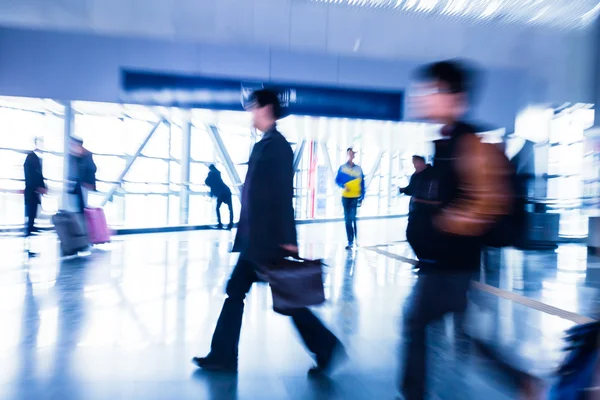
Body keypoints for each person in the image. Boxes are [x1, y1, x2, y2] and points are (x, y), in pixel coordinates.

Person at [192, 89, 346, 375]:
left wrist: (288, 240)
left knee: (286, 299)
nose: (250, 112)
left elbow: (282, 196)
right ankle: (223, 355)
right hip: (257, 238)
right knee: (242, 292)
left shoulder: (277, 147)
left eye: (253, 107)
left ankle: (325, 346)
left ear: (265, 109)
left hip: (267, 241)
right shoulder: (265, 144)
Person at [398, 60, 512, 400]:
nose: (422, 98)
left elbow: (487, 203)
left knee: (418, 324)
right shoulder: (448, 142)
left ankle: (413, 394)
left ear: (456, 98)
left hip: (452, 264)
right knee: (462, 335)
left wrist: (440, 225)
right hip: (445, 263)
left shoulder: (469, 145)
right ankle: (522, 382)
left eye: (431, 91)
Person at [335, 148, 365, 250]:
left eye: (352, 154)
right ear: (347, 154)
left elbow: (362, 183)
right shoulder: (342, 168)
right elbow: (337, 180)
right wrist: (343, 185)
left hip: (355, 197)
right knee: (348, 220)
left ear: (354, 155)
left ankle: (355, 240)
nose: (351, 155)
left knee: (352, 218)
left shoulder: (358, 169)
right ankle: (350, 241)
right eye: (349, 153)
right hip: (345, 197)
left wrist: (362, 196)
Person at [23, 137, 47, 257]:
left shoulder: (34, 158)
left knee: (31, 221)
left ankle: (28, 247)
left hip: (33, 195)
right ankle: (27, 247)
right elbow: (32, 177)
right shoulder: (32, 158)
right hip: (32, 194)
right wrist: (39, 187)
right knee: (30, 222)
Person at [68, 137, 96, 213]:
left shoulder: (87, 155)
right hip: (75, 187)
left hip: (84, 186)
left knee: (83, 208)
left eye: (73, 144)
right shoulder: (72, 156)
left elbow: (92, 169)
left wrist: (90, 184)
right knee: (76, 208)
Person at [205, 164, 234, 230]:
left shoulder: (211, 173)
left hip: (221, 193)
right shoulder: (217, 173)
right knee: (230, 209)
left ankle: (220, 224)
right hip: (226, 191)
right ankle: (230, 225)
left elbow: (207, 181)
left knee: (217, 208)